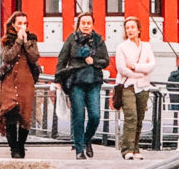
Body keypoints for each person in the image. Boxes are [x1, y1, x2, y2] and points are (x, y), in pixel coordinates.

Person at [55, 12, 109, 160]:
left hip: (94, 81)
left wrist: (94, 62)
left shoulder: (98, 40)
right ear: (79, 24)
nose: (86, 25)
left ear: (92, 24)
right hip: (76, 82)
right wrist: (58, 79)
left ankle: (86, 139)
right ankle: (79, 149)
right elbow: (62, 59)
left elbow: (106, 60)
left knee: (95, 116)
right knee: (78, 116)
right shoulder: (72, 39)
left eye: (88, 23)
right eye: (83, 23)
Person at [0, 11, 40, 158]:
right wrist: (18, 41)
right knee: (10, 113)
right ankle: (13, 148)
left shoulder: (31, 39)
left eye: (25, 23)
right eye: (19, 24)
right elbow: (7, 57)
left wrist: (25, 42)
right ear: (13, 25)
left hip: (26, 82)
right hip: (9, 82)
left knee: (25, 116)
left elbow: (34, 57)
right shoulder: (7, 40)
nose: (23, 26)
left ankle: (21, 145)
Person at [115, 16, 155, 160]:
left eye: (132, 27)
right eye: (127, 28)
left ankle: (136, 148)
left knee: (140, 118)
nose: (130, 30)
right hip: (128, 85)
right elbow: (121, 68)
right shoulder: (122, 47)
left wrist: (136, 67)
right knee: (131, 116)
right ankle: (127, 150)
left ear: (139, 30)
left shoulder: (147, 46)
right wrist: (139, 73)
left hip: (143, 86)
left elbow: (151, 65)